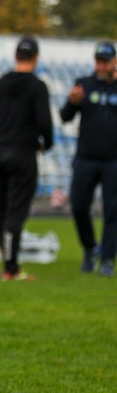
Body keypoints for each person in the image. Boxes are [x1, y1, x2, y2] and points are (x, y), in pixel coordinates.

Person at [0, 37, 53, 280]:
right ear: (36, 58)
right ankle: (11, 267)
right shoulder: (37, 86)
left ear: (15, 56)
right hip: (22, 153)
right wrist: (45, 144)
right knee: (15, 212)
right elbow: (44, 122)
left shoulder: (0, 83)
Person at [61, 41, 117, 277]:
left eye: (105, 61)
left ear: (114, 61)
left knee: (113, 210)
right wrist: (72, 103)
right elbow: (65, 116)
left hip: (113, 160)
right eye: (98, 61)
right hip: (85, 158)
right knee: (79, 205)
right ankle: (89, 247)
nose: (101, 66)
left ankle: (107, 258)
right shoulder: (83, 85)